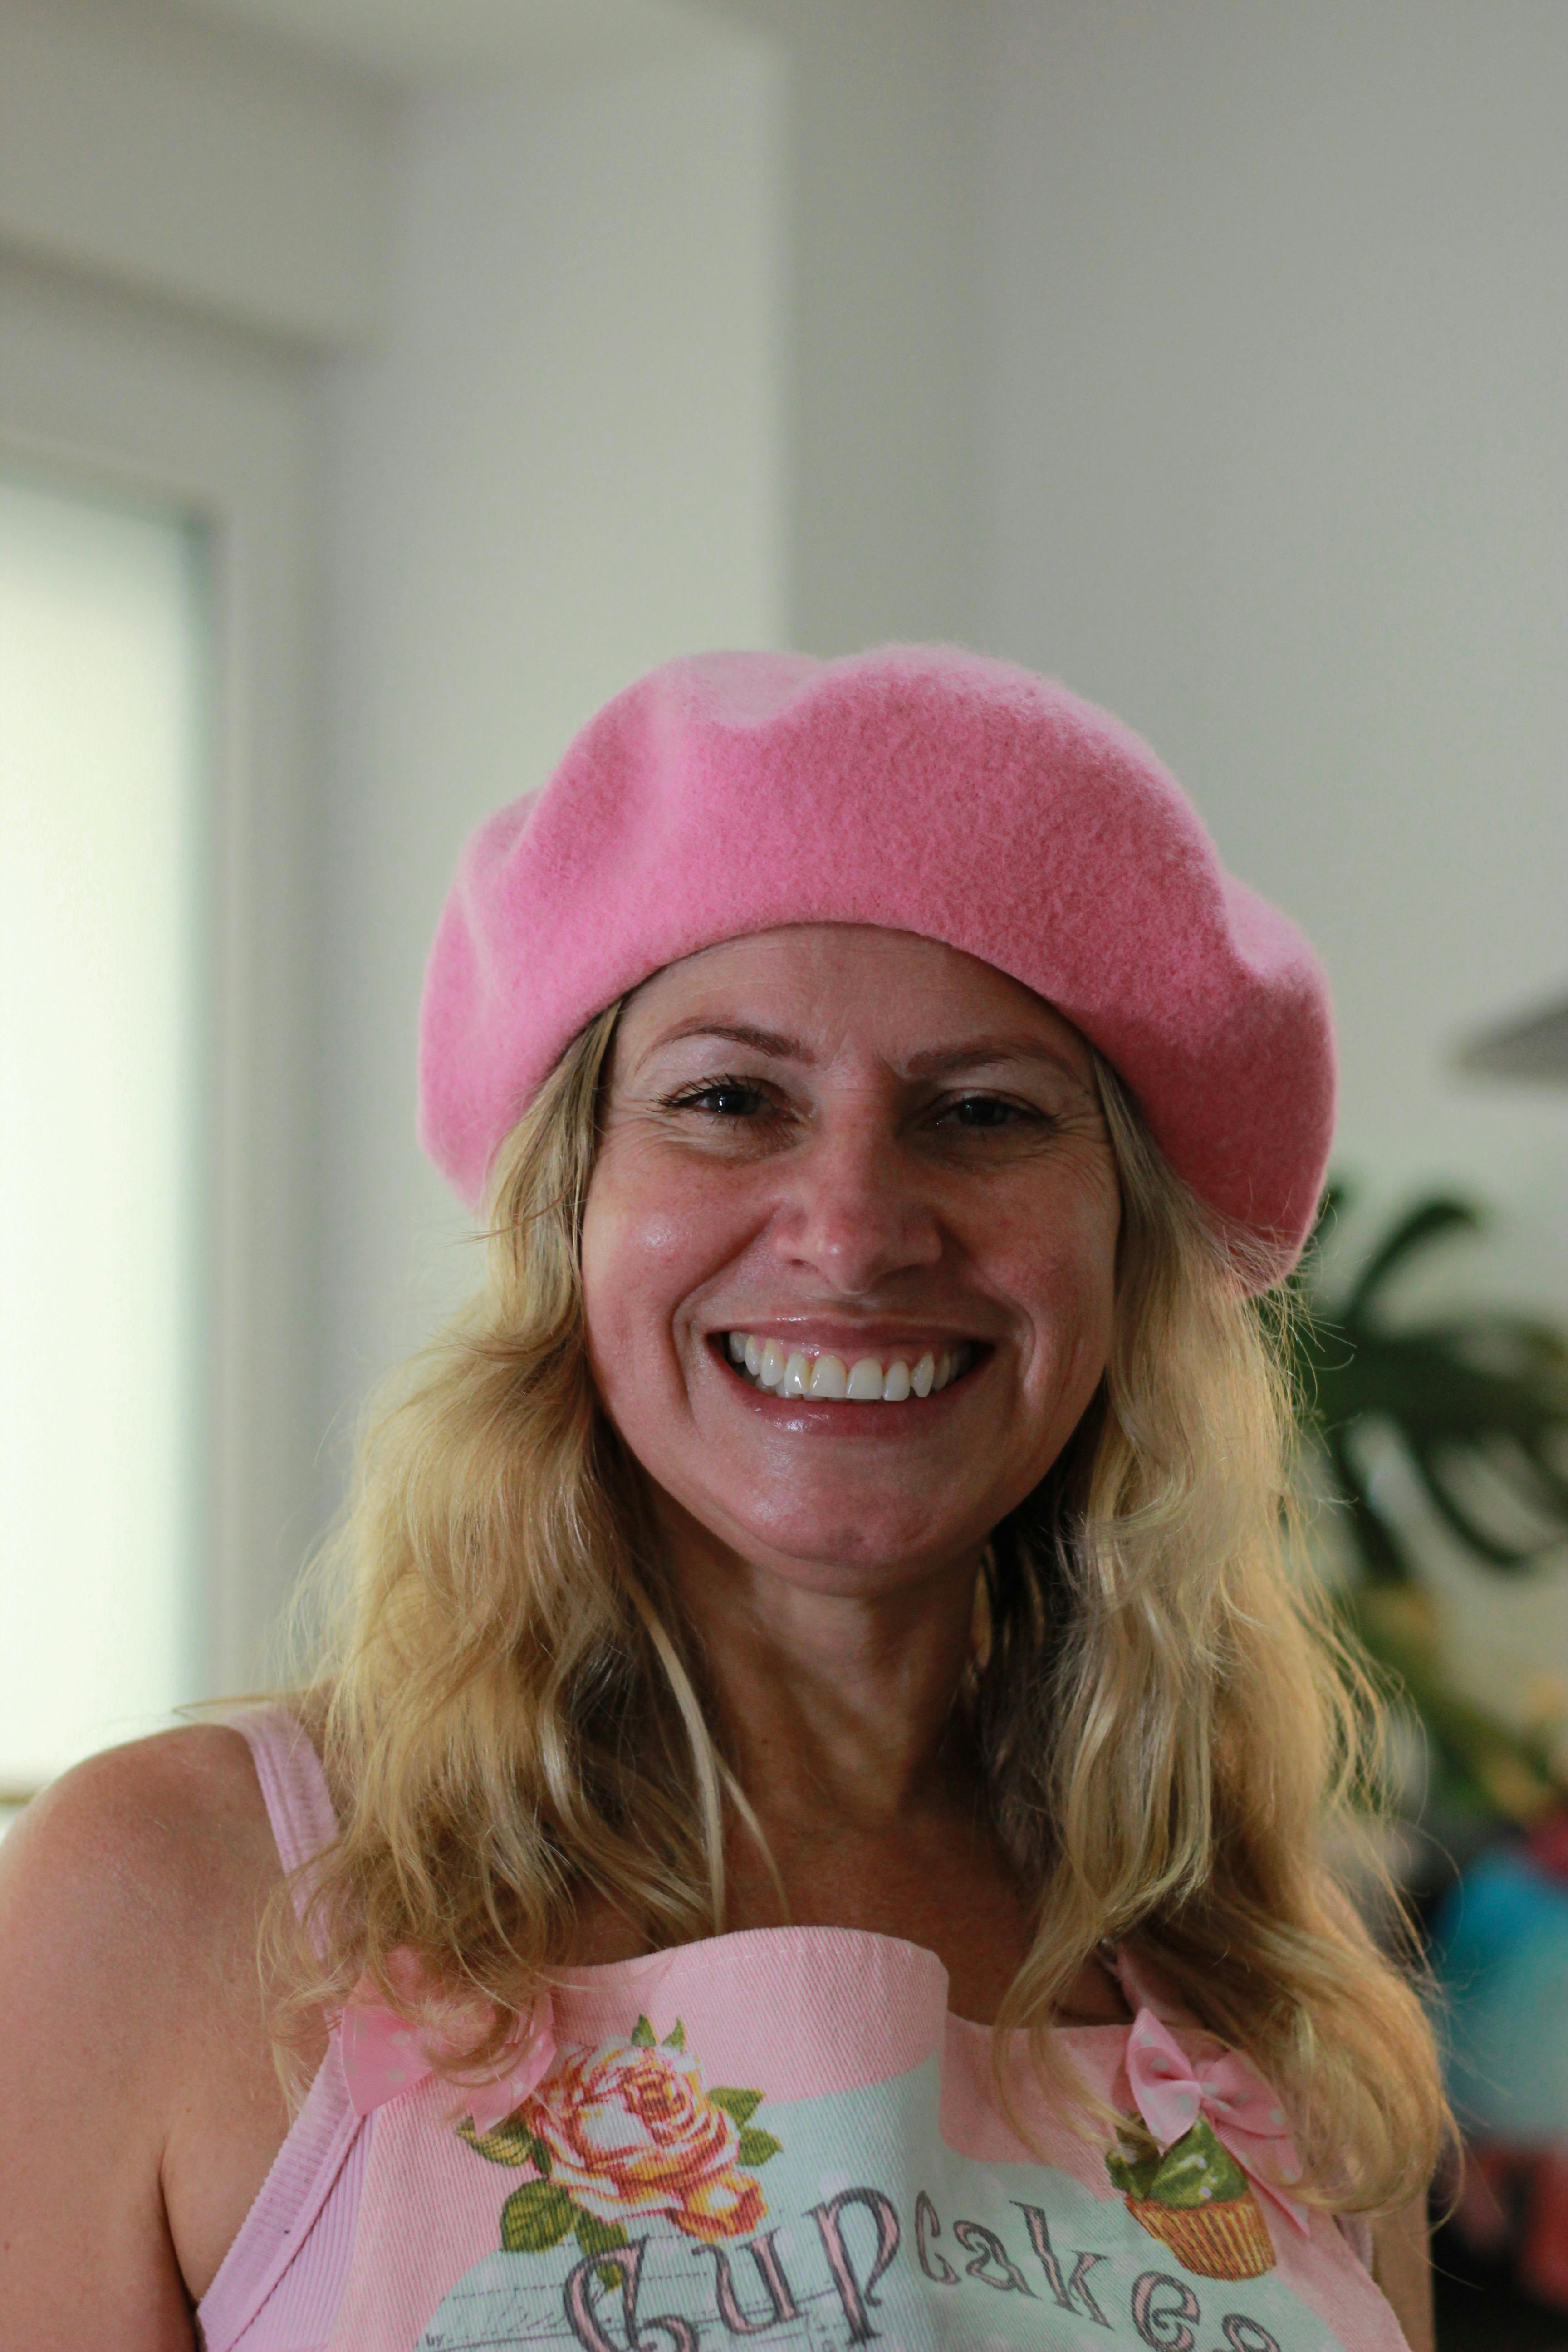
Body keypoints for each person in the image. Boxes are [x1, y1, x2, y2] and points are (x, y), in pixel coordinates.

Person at [0, 648, 1441, 2352]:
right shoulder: (172, 1902)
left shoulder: (1274, 2002)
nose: (852, 1230)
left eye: (982, 1114)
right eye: (728, 1101)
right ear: (570, 1214)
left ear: (1124, 1255)